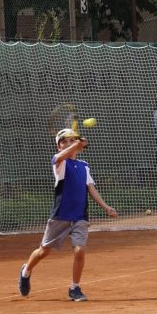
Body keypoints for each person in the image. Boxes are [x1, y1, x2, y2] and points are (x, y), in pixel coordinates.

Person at [18, 128, 117, 301]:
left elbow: (91, 188)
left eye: (72, 140)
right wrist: (77, 144)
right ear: (58, 147)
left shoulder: (84, 166)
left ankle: (74, 288)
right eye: (63, 141)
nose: (68, 143)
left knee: (80, 250)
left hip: (80, 216)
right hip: (60, 216)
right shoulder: (59, 163)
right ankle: (26, 271)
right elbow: (61, 157)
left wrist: (106, 207)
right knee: (43, 251)